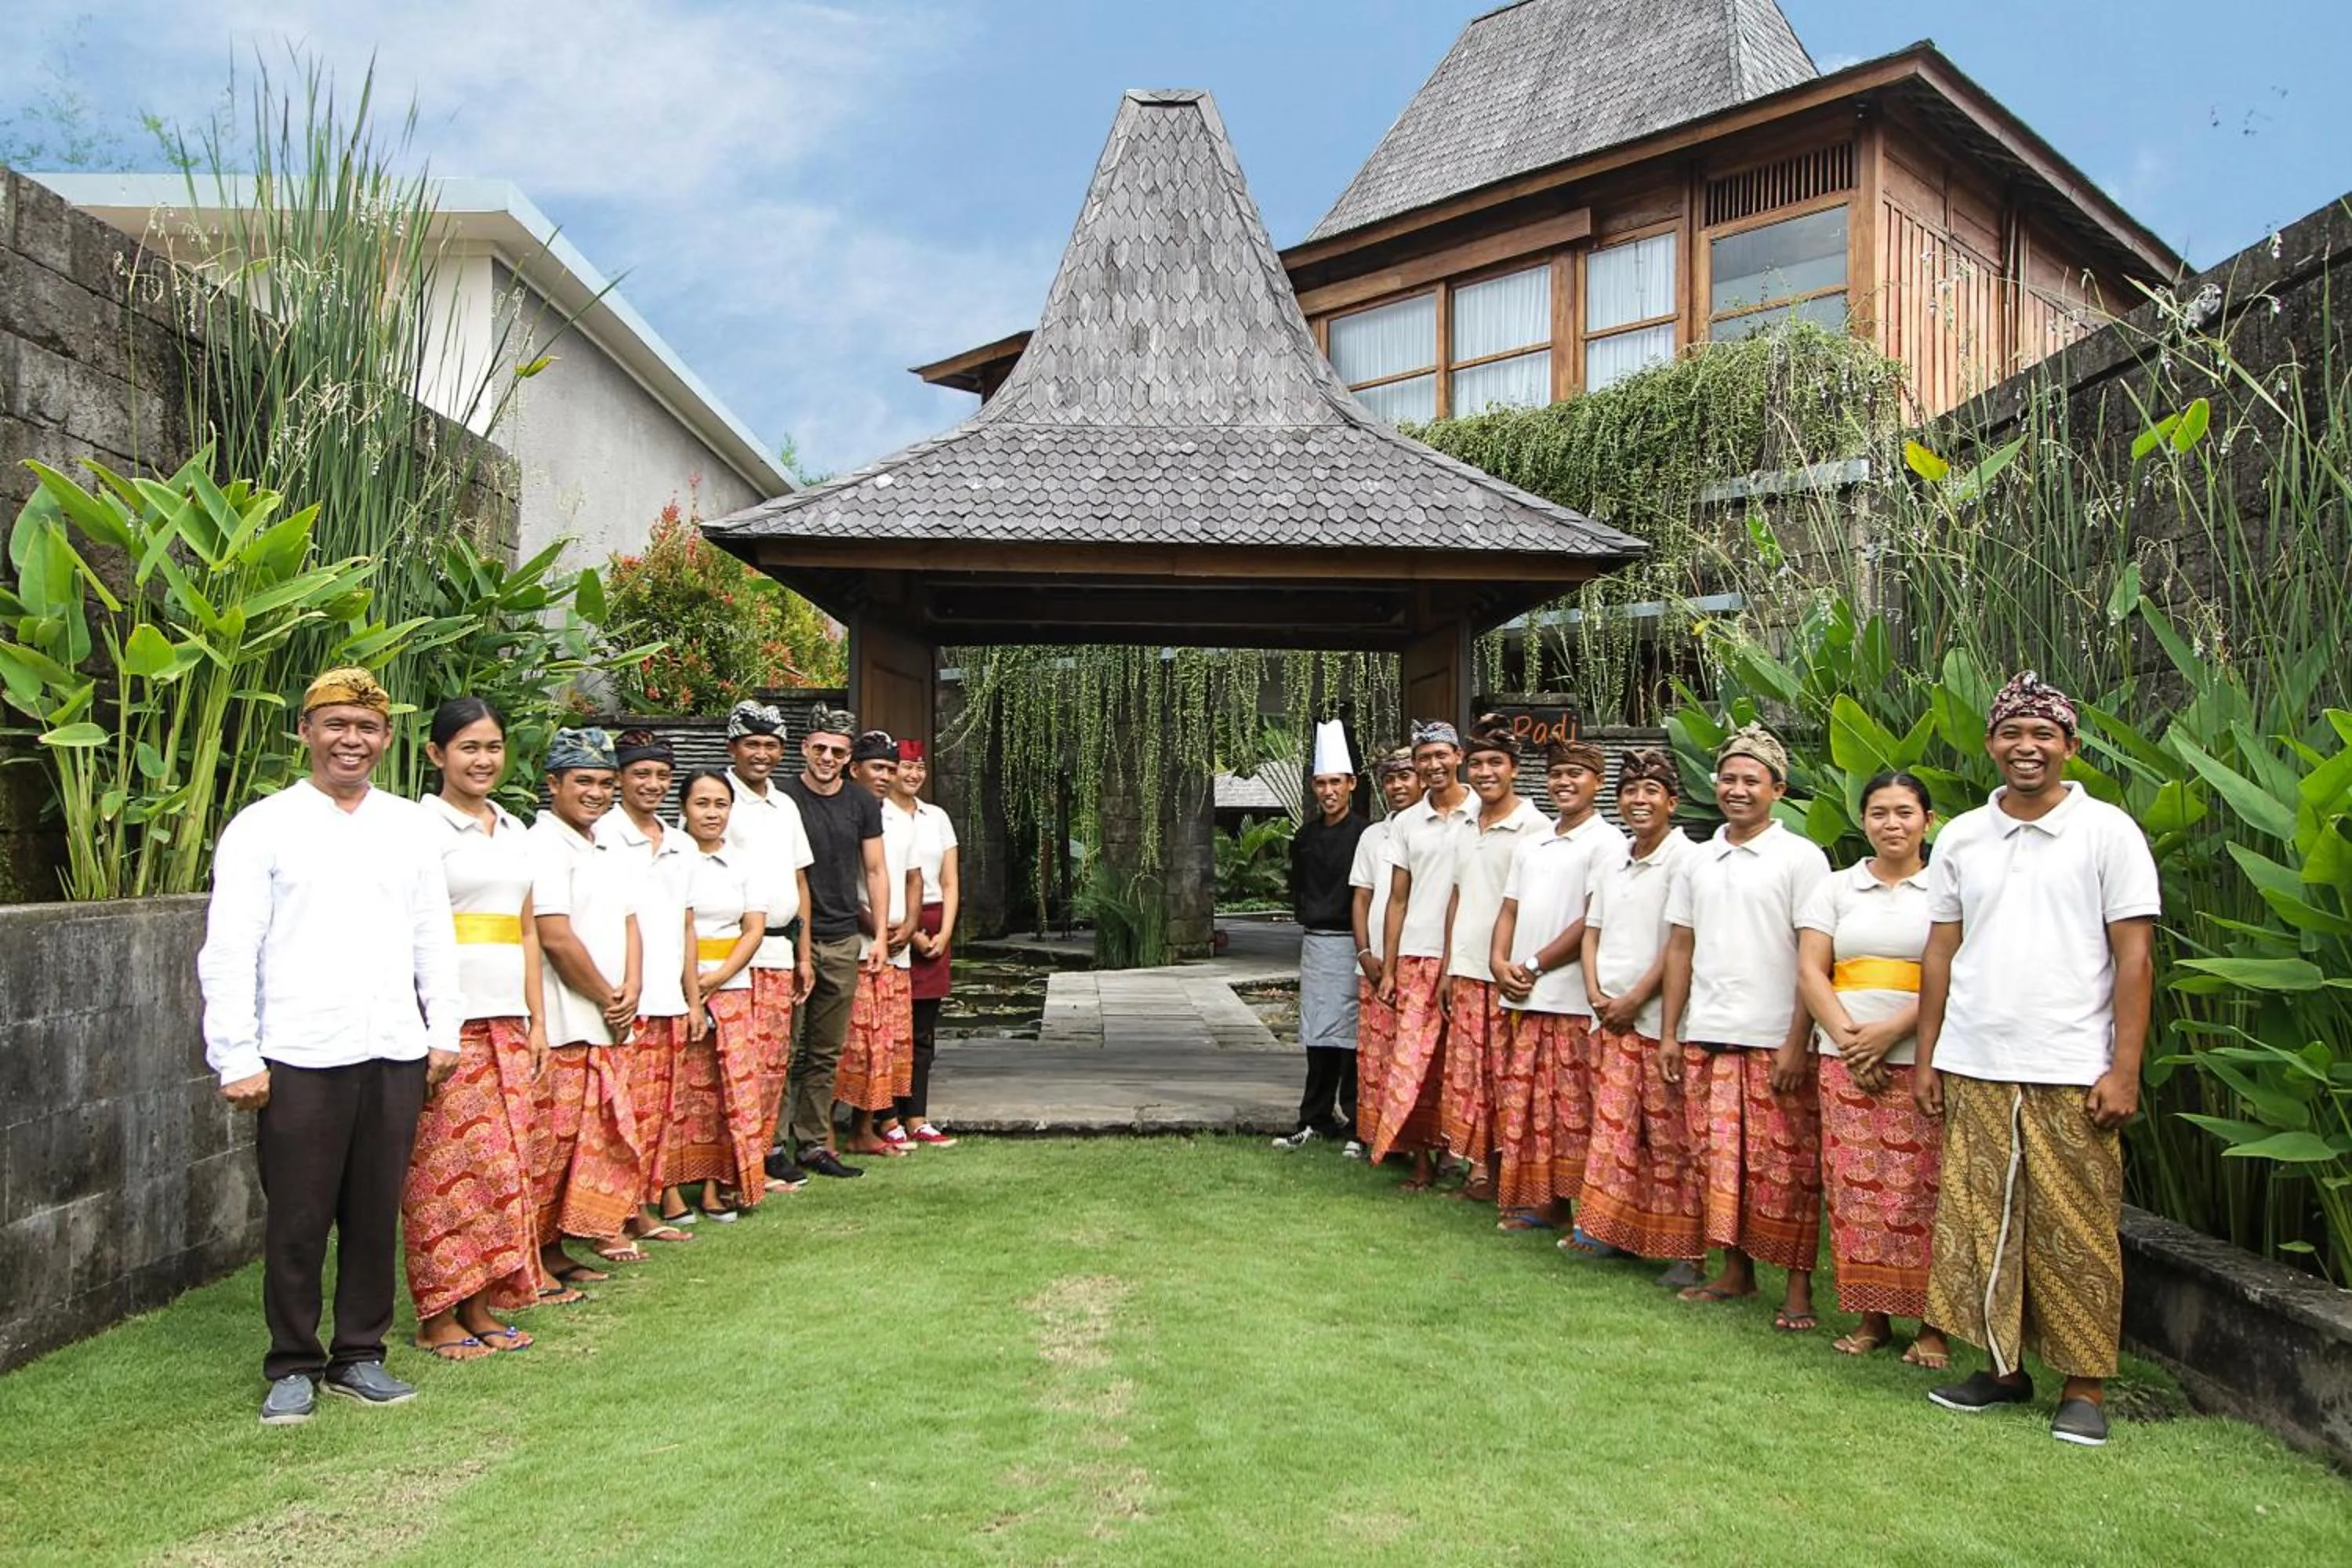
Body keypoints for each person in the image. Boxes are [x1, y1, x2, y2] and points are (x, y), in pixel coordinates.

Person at [198, 666, 463, 1425]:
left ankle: (359, 1353)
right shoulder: (264, 825)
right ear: (308, 733)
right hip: (301, 1049)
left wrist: (441, 1027)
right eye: (337, 725)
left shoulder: (407, 826)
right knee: (299, 1216)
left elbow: (431, 934)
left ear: (386, 739)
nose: (354, 740)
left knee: (376, 1211)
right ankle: (292, 1363)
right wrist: (237, 1054)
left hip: (391, 1048)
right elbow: (229, 949)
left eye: (368, 728)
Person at [1915, 672, 2159, 1447]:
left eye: (2043, 734)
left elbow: (2135, 956)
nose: (2027, 747)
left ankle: (2083, 1385)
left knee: (2077, 1225)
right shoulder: (1960, 835)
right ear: (1990, 744)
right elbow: (1941, 949)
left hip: (2070, 1063)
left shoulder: (2108, 831)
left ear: (2069, 745)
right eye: (2013, 733)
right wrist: (1928, 1056)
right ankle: (2001, 1368)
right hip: (1976, 1057)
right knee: (1984, 1220)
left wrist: (2123, 1067)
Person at [1659, 724, 1831, 1329]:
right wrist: (1671, 1032)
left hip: (1775, 1042)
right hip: (1709, 1033)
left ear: (1777, 790)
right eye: (1728, 778)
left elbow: (1816, 956)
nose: (1736, 789)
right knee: (1716, 1163)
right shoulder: (1699, 858)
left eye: (1750, 779)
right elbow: (1681, 947)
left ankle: (1798, 1290)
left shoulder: (1802, 859)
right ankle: (1734, 1272)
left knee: (1787, 1170)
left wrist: (1796, 1040)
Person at [405, 697, 551, 1363]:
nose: (483, 760)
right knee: (443, 1171)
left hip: (509, 1021)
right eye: (468, 747)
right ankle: (437, 1315)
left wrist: (537, 1018)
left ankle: (481, 1304)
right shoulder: (417, 829)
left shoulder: (514, 829)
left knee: (501, 1167)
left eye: (493, 747)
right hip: (447, 1023)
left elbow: (525, 928)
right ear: (436, 754)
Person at [1795, 771, 1951, 1367]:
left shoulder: (1945, 890)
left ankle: (1934, 1327)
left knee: (1924, 1194)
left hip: (1921, 1061)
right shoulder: (1836, 889)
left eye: (1905, 813)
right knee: (1856, 1192)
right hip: (1846, 1064)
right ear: (1862, 821)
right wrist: (1847, 1039)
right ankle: (1872, 1317)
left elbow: (1951, 972)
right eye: (1880, 813)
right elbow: (1813, 970)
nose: (1893, 824)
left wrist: (1888, 1034)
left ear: (1926, 822)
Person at [1575, 750, 1705, 1285]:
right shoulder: (1614, 860)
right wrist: (1597, 993)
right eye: (1630, 791)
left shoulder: (1686, 860)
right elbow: (1592, 933)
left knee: (1670, 1137)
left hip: (1656, 1021)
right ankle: (1620, 1234)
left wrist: (1634, 1000)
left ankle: (1686, 1252)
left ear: (1671, 802)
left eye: (1651, 791)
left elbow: (1679, 944)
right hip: (1608, 1016)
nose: (1639, 800)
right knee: (1616, 1132)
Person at [1490, 739, 1627, 1234]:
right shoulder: (1533, 842)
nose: (1564, 782)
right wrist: (1498, 961)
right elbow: (1509, 909)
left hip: (1571, 998)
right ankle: (1546, 1203)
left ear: (1598, 782)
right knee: (1534, 1106)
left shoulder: (1608, 843)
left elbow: (1592, 919)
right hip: (1524, 994)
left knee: (1577, 1109)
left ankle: (1587, 1217)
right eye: (1557, 774)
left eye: (1576, 774)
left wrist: (1533, 963)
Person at [528, 728, 647, 1284]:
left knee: (584, 1144)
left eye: (604, 782)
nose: (597, 793)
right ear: (554, 784)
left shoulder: (604, 843)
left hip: (607, 1018)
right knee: (548, 1149)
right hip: (566, 1021)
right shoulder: (543, 845)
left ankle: (556, 1252)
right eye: (583, 782)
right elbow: (554, 937)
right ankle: (532, 1258)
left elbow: (629, 921)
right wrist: (608, 997)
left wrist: (632, 988)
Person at [595, 730, 699, 1244]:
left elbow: (686, 924)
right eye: (641, 774)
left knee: (658, 1114)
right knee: (617, 1115)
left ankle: (640, 1209)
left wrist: (694, 999)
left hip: (669, 999)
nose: (652, 784)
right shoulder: (602, 834)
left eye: (661, 775)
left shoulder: (680, 842)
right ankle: (608, 1217)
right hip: (622, 999)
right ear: (619, 779)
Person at [779, 704, 892, 1178]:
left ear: (848, 760)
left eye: (837, 752)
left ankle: (812, 1144)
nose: (827, 757)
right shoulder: (783, 800)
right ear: (805, 749)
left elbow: (876, 869)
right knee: (784, 1050)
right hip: (791, 941)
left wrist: (881, 935)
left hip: (844, 937)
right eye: (820, 748)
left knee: (826, 1050)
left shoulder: (861, 803)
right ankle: (769, 1146)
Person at [1439, 720, 1549, 1203]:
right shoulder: (1465, 824)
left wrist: (1520, 964)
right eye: (1478, 764)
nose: (1485, 773)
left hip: (1507, 973)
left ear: (1515, 770)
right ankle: (1479, 1169)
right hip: (1465, 970)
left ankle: (1510, 1172)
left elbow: (1536, 906)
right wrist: (1447, 964)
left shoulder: (1536, 827)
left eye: (1495, 764)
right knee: (1471, 1074)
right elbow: (1457, 896)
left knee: (1509, 1075)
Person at [1370, 720, 1476, 1188]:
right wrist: (1389, 967)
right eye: (1424, 758)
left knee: (1465, 1062)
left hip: (1471, 957)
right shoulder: (1407, 822)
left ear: (1458, 756)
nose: (1433, 765)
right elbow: (1397, 898)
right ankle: (1419, 1161)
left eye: (1441, 755)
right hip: (1417, 953)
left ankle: (1474, 1165)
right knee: (1413, 1062)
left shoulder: (1482, 809)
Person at [721, 701, 816, 1191]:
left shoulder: (786, 805)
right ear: (733, 746)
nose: (762, 754)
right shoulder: (720, 799)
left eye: (771, 745)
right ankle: (736, 1158)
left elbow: (799, 881)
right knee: (739, 1060)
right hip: (733, 952)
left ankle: (767, 1149)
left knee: (778, 1056)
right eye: (752, 744)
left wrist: (804, 953)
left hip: (781, 950)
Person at [677, 768, 771, 1218]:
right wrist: (694, 985)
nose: (712, 814)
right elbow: (679, 924)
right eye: (702, 803)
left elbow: (753, 929)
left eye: (720, 805)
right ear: (684, 807)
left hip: (732, 984)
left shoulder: (743, 861)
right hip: (676, 986)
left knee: (726, 1091)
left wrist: (718, 978)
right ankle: (669, 1192)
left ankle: (717, 1185)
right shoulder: (672, 857)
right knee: (679, 1092)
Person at [1275, 720, 1368, 1150]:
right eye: (1320, 783)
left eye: (1335, 782)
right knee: (1318, 1033)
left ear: (1351, 784)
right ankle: (1314, 1117)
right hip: (1316, 942)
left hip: (1352, 943)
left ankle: (1355, 1121)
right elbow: (1298, 888)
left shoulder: (1366, 834)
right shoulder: (1305, 836)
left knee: (1351, 1036)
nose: (1328, 791)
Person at [836, 730, 923, 1159]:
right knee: (855, 1042)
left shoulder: (900, 817)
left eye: (891, 768)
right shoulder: (844, 812)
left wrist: (908, 924)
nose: (886, 776)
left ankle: (866, 1128)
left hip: (894, 947)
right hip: (858, 941)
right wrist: (876, 927)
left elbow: (913, 876)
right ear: (854, 770)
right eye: (877, 768)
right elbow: (840, 886)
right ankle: (837, 1131)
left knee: (885, 1043)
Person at [1348, 747, 1422, 1160]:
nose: (1397, 786)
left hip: (1416, 961)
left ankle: (1423, 1143)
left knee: (1415, 1056)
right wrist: (1364, 952)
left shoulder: (1434, 829)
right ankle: (1379, 1135)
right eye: (1390, 778)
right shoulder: (1373, 835)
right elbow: (1362, 897)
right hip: (1374, 964)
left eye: (1405, 776)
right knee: (1377, 1055)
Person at [888, 739, 960, 1147]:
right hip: (897, 922)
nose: (913, 775)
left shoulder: (936, 817)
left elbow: (949, 880)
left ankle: (917, 1114)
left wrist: (945, 932)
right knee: (890, 1027)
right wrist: (911, 931)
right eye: (905, 767)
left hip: (935, 919)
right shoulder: (878, 813)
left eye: (920, 768)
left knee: (923, 1030)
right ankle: (886, 1115)